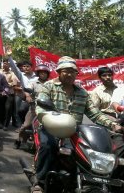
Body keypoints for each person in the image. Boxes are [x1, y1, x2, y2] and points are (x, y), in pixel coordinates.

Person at [33, 56, 122, 193]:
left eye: (72, 71)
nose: (69, 74)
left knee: (87, 152)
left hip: (73, 132)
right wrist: (47, 118)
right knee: (47, 146)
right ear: (59, 71)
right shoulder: (48, 87)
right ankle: (40, 181)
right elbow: (40, 108)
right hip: (51, 129)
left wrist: (113, 125)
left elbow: (95, 114)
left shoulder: (82, 93)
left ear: (76, 73)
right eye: (66, 71)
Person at [15, 64, 50, 148]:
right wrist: (28, 96)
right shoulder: (34, 83)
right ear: (38, 74)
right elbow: (27, 91)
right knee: (26, 125)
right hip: (34, 108)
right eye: (41, 73)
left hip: (47, 110)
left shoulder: (51, 84)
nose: (43, 74)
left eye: (45, 73)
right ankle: (19, 139)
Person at [0, 58, 22, 130]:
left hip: (9, 93)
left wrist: (6, 84)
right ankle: (0, 123)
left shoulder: (12, 73)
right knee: (0, 108)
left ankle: (5, 125)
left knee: (8, 109)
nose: (5, 64)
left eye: (7, 63)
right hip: (0, 92)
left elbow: (15, 83)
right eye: (4, 63)